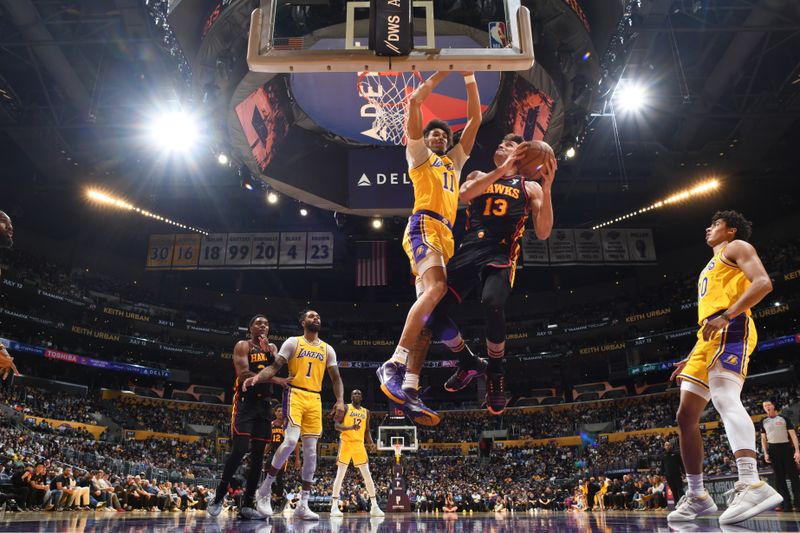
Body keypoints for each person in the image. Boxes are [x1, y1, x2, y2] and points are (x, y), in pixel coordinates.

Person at [376, 70, 482, 425]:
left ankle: (410, 387)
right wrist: (442, 72)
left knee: (429, 318)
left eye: (443, 133)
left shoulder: (454, 162)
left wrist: (468, 76)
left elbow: (476, 118)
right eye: (433, 132)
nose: (438, 135)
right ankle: (393, 361)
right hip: (423, 224)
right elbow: (414, 102)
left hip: (445, 234)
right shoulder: (419, 155)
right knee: (436, 289)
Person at [428, 133, 556, 414]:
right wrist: (501, 170)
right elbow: (464, 195)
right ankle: (469, 362)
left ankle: (496, 373)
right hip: (469, 249)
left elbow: (544, 232)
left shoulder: (529, 186)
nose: (502, 145)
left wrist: (546, 190)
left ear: (523, 156)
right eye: (501, 143)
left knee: (492, 302)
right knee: (432, 315)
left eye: (510, 145)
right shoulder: (478, 174)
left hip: (500, 253)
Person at [668, 210, 782, 524]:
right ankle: (698, 495)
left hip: (731, 326)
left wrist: (728, 316)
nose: (708, 227)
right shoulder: (711, 264)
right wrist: (693, 354)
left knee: (724, 398)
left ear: (730, 231)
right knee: (685, 416)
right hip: (707, 337)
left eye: (715, 224)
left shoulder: (737, 247)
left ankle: (751, 482)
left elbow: (763, 284)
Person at [246, 309, 346, 520]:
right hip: (295, 394)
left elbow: (336, 378)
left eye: (318, 316)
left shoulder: (328, 349)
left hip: (315, 399)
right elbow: (274, 367)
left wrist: (339, 401)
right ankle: (264, 489)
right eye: (311, 316)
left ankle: (303, 503)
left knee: (311, 453)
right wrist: (257, 378)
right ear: (302, 322)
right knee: (291, 441)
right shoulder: (293, 342)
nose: (316, 318)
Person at [207, 315, 288, 520]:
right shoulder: (243, 346)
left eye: (266, 323)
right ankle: (218, 496)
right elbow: (243, 374)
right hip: (245, 403)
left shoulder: (272, 349)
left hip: (264, 406)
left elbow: (278, 367)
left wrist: (271, 355)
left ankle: (248, 503)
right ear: (250, 327)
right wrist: (277, 379)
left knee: (259, 456)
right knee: (241, 449)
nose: (263, 325)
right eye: (258, 323)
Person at [330, 389, 384, 517]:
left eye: (359, 393)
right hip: (346, 443)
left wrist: (371, 443)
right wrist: (349, 428)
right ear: (351, 396)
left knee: (367, 474)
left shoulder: (366, 412)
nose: (356, 394)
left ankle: (375, 506)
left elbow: (367, 430)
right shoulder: (345, 408)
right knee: (340, 474)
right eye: (354, 393)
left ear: (362, 397)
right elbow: (336, 426)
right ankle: (334, 506)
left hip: (359, 444)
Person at [761, 399, 800, 511]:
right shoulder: (763, 421)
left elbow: (793, 436)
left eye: (768, 404)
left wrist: (797, 451)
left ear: (773, 406)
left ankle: (798, 504)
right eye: (764, 406)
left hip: (786, 448)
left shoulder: (784, 419)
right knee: (779, 479)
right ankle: (786, 505)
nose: (766, 407)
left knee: (794, 477)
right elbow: (763, 439)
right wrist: (765, 452)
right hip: (773, 450)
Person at [661, 440, 685, 504]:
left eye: (668, 445)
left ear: (671, 446)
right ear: (664, 447)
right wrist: (662, 475)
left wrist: (684, 473)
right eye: (666, 445)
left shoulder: (676, 453)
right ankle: (677, 504)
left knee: (680, 489)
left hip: (677, 475)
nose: (667, 446)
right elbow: (662, 466)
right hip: (668, 476)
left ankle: (684, 504)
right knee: (673, 490)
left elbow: (681, 464)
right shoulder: (663, 455)